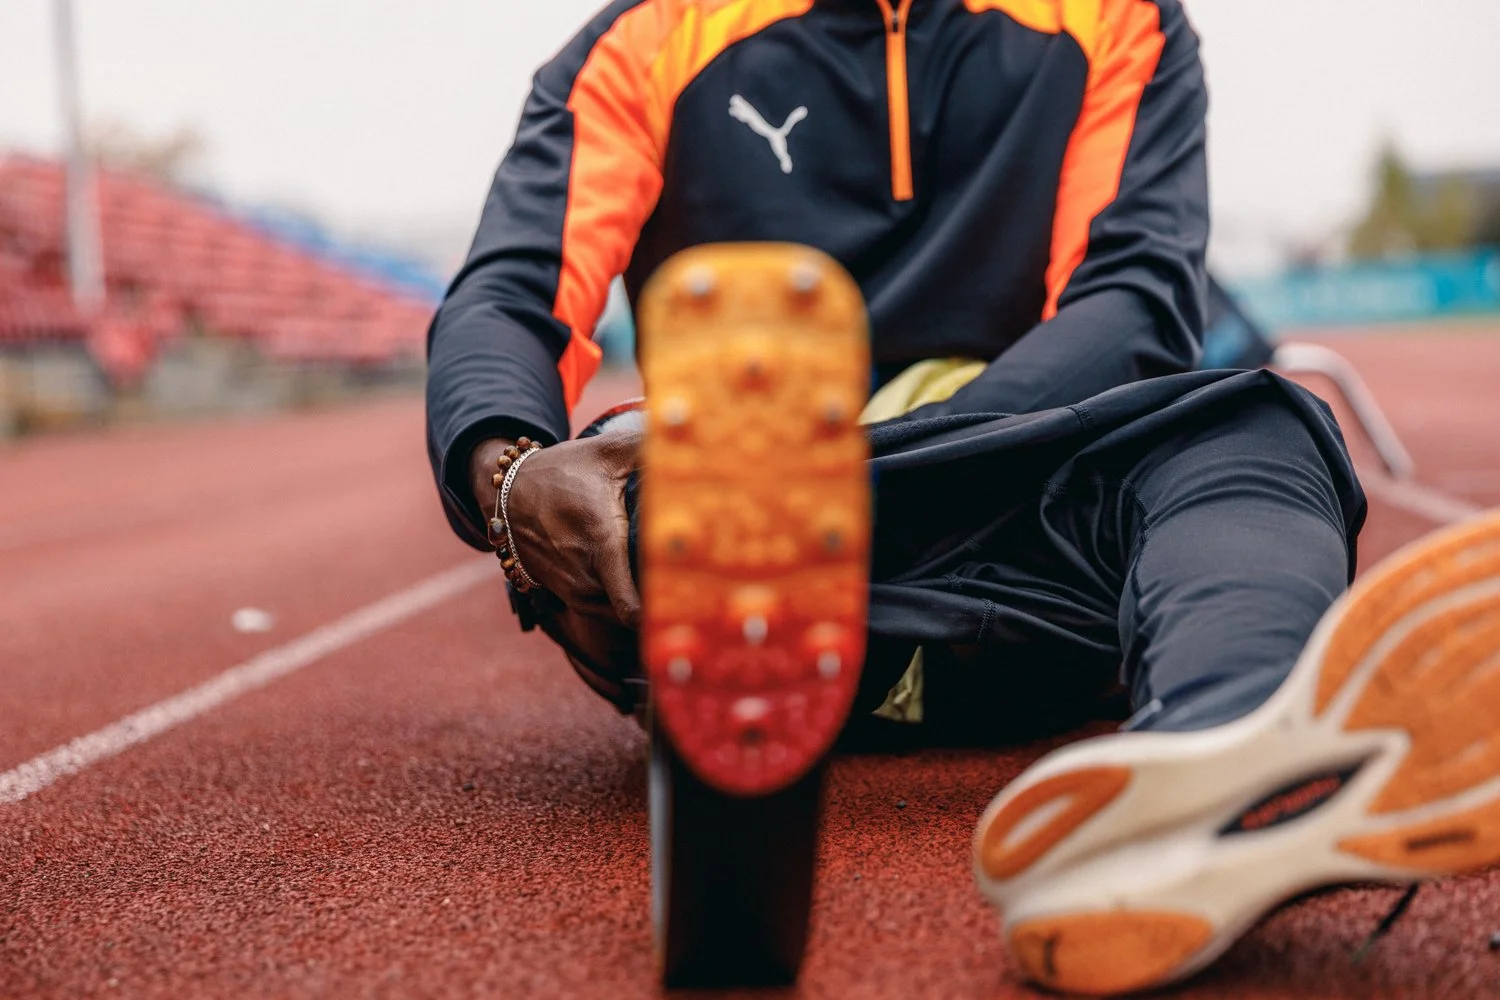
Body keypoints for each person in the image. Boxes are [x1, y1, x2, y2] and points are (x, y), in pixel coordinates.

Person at [425, 1, 1500, 993]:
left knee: (1251, 427)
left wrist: (840, 483)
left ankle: (1221, 764)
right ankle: (1225, 761)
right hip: (735, 581)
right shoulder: (651, 41)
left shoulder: (1120, 20)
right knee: (645, 484)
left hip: (1016, 547)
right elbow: (508, 295)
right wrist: (510, 473)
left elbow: (1130, 304)